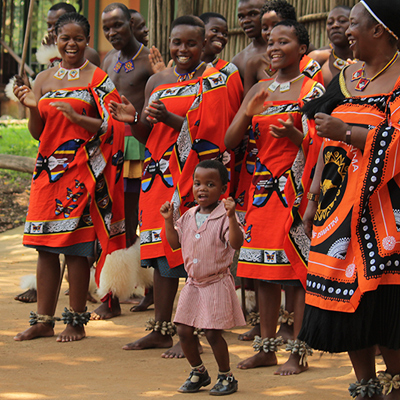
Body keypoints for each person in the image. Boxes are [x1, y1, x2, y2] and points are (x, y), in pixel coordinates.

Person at [109, 15, 232, 358]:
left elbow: (210, 133)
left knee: (193, 253)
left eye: (191, 43)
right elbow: (148, 134)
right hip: (158, 175)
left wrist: (171, 120)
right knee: (162, 251)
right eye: (177, 42)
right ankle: (161, 329)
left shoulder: (213, 80)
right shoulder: (158, 80)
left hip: (194, 177)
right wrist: (133, 120)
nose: (183, 50)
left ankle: (191, 330)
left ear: (204, 45)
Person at [298, 1, 400, 397]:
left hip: (385, 213)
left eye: (353, 24)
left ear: (380, 30)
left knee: (384, 301)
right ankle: (365, 384)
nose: (345, 31)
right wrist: (311, 200)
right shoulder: (346, 77)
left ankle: (395, 384)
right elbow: (325, 144)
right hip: (336, 208)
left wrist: (349, 132)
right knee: (344, 302)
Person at [12, 12, 125, 342]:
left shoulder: (99, 79)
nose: (71, 44)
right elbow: (38, 133)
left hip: (83, 170)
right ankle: (43, 321)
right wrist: (33, 106)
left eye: (78, 38)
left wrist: (77, 116)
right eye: (65, 38)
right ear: (55, 41)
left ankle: (75, 321)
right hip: (48, 172)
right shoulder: (44, 79)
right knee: (45, 247)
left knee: (76, 248)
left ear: (87, 41)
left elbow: (112, 125)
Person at [225, 19, 324, 374]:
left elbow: (324, 144)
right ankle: (266, 348)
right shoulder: (259, 89)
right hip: (261, 192)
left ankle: (298, 352)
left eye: (284, 41)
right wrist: (249, 113)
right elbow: (230, 140)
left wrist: (297, 136)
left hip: (295, 191)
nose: (274, 47)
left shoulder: (312, 89)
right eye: (271, 42)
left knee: (295, 273)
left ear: (302, 49)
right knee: (263, 271)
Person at [89, 2, 154, 320]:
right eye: (107, 28)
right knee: (116, 219)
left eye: (118, 25)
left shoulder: (148, 61)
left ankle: (131, 291)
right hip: (109, 147)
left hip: (138, 147)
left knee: (138, 219)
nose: (113, 32)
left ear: (132, 23)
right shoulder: (108, 59)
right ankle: (123, 290)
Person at [160, 160, 245, 395]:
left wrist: (231, 216)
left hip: (216, 282)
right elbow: (175, 243)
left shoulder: (224, 216)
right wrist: (168, 220)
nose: (202, 189)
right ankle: (198, 372)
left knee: (212, 333)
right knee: (183, 331)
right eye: (197, 183)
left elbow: (236, 243)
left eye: (210, 184)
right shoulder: (188, 216)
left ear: (222, 188)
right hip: (193, 284)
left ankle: (227, 376)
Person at [243, 0, 323, 95]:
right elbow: (248, 103)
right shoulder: (254, 64)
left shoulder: (309, 64)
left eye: (276, 25)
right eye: (265, 28)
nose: (269, 31)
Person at [37, 2, 100, 67]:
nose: (51, 30)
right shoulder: (59, 52)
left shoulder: (87, 54)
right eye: (49, 25)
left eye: (56, 25)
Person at [308, 5, 353, 86]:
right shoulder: (317, 58)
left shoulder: (366, 61)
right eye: (330, 23)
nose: (335, 25)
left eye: (342, 21)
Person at [231, 0, 267, 82]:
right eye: (241, 17)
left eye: (253, 14)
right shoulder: (239, 61)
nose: (245, 21)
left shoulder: (288, 48)